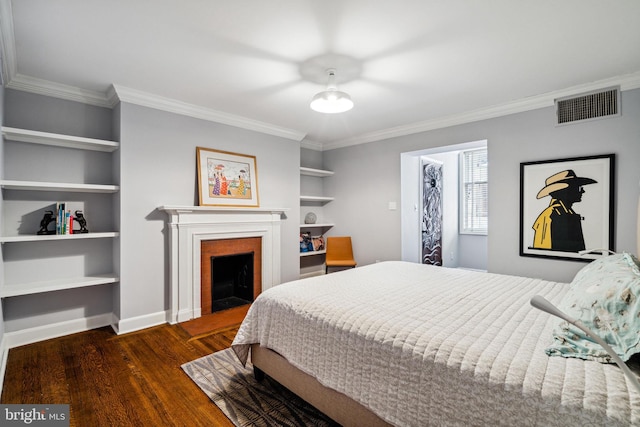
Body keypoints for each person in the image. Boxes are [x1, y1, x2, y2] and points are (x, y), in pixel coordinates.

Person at [532, 169, 596, 252]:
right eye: (579, 188)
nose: (583, 191)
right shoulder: (551, 215)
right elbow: (543, 249)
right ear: (566, 191)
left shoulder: (568, 213)